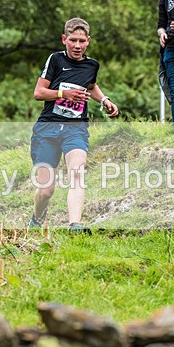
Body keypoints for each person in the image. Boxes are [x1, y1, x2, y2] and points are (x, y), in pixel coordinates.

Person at [29, 18, 119, 234]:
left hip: (75, 129)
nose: (77, 46)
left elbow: (91, 84)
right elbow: (38, 93)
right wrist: (63, 93)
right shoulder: (55, 60)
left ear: (88, 41)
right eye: (72, 40)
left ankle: (74, 225)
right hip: (47, 129)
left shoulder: (92, 65)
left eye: (81, 41)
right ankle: (37, 218)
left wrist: (104, 100)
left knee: (77, 173)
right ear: (64, 39)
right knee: (46, 189)